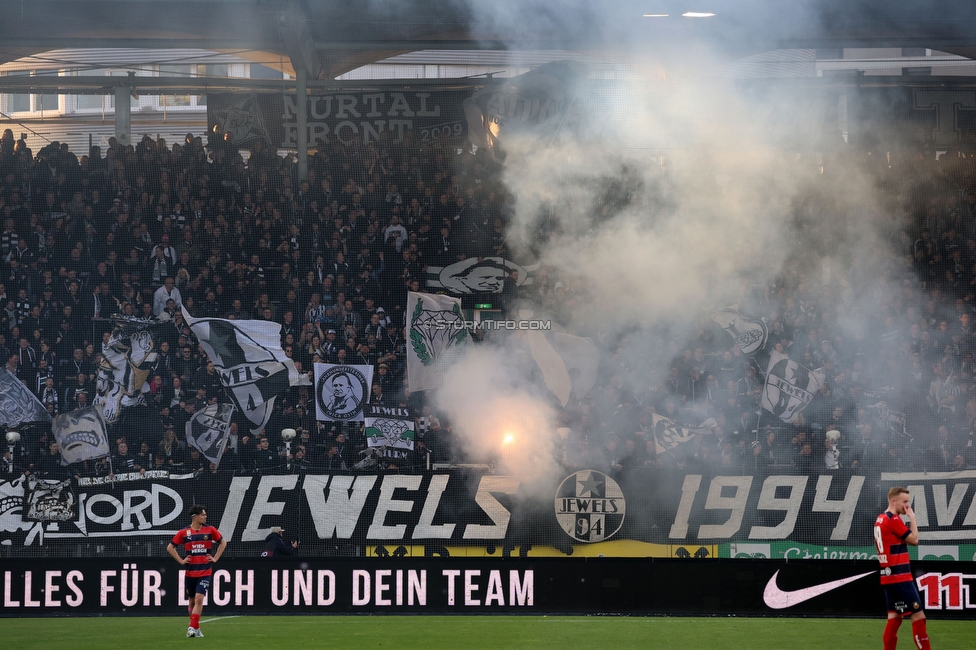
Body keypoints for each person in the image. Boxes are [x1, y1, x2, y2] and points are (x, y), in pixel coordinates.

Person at [874, 487, 932, 650]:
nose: (907, 505)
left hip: (887, 576)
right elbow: (914, 540)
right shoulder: (893, 519)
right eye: (905, 502)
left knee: (895, 617)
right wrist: (912, 518)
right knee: (919, 616)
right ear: (894, 501)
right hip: (900, 577)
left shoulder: (880, 519)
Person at [167, 504, 226, 639]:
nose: (206, 516)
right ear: (195, 517)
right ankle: (196, 628)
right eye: (203, 514)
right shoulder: (184, 532)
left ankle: (191, 627)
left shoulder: (210, 530)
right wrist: (181, 561)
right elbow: (170, 547)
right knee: (192, 601)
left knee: (199, 599)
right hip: (190, 573)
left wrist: (215, 558)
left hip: (205, 571)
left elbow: (223, 543)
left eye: (205, 514)